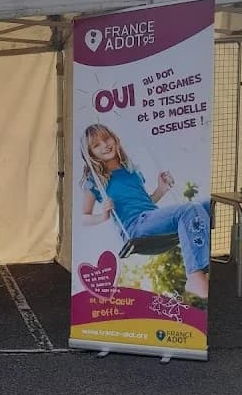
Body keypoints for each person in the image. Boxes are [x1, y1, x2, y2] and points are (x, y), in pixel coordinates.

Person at [80, 123, 210, 299]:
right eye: (97, 145)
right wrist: (103, 216)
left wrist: (161, 189)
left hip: (151, 218)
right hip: (135, 228)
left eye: (106, 139)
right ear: (91, 153)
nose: (105, 145)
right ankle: (195, 275)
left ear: (114, 138)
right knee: (190, 209)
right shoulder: (95, 180)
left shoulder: (130, 170)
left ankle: (207, 259)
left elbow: (145, 202)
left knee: (208, 205)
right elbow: (84, 217)